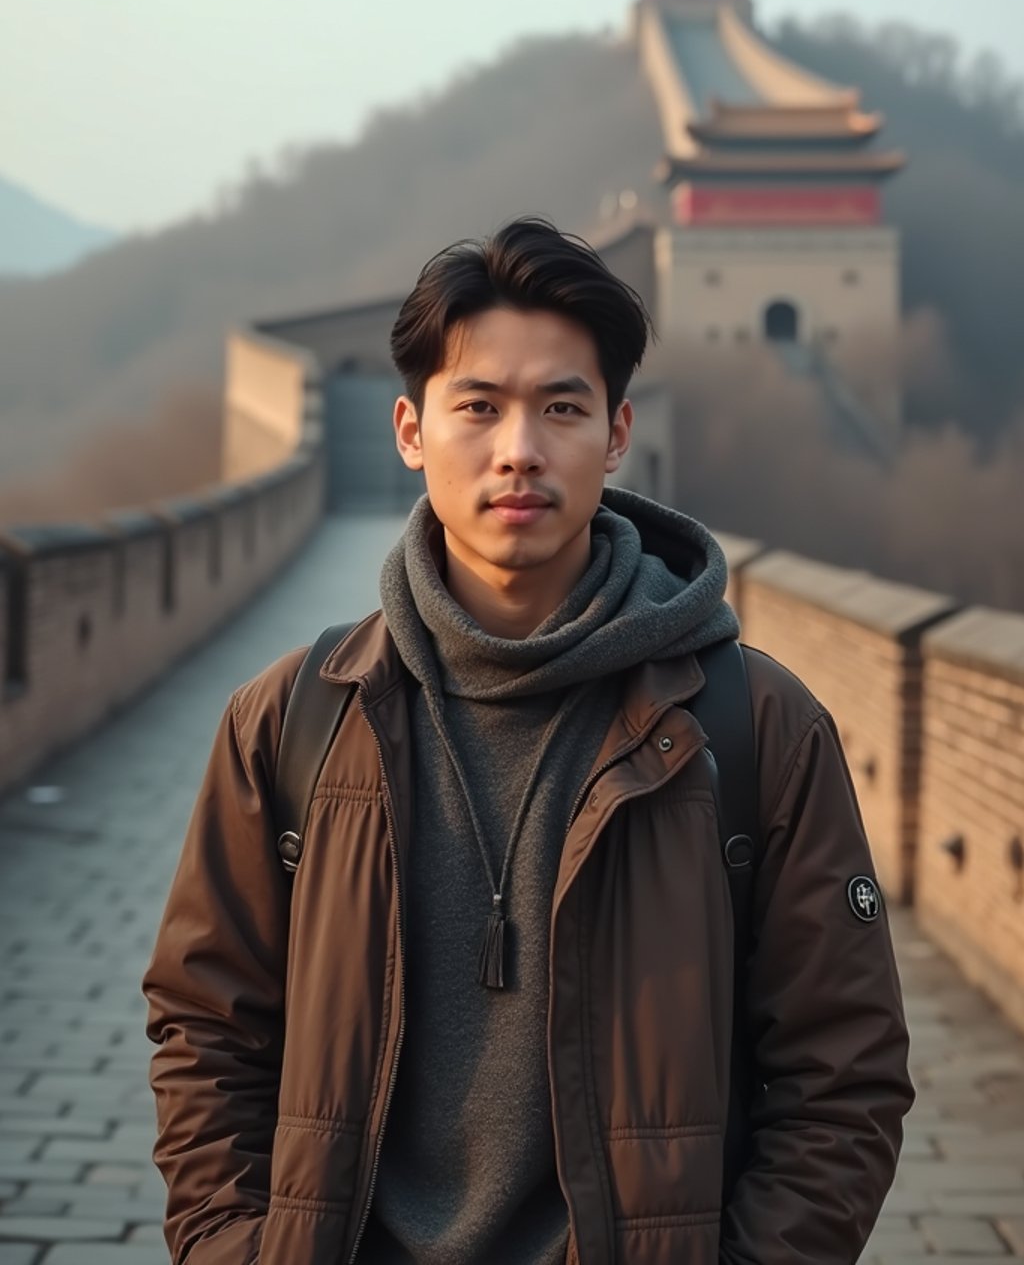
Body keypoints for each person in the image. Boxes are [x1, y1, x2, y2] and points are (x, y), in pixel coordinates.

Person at [143, 216, 913, 1265]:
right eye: (479, 406)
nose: (520, 450)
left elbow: (845, 1064)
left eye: (561, 407)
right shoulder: (293, 722)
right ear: (412, 432)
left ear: (616, 431)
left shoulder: (752, 726)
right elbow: (203, 1027)